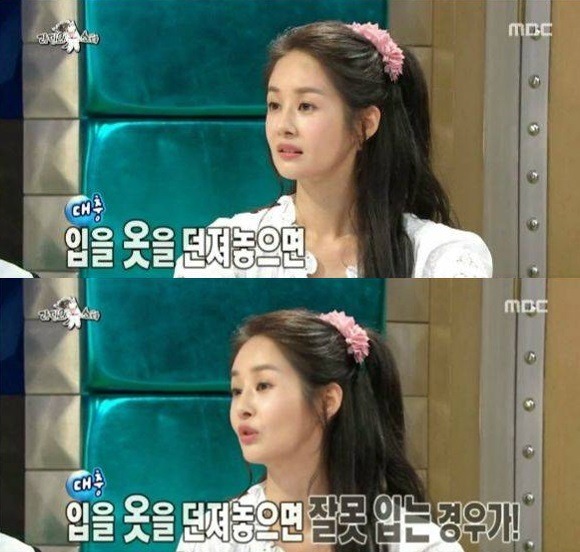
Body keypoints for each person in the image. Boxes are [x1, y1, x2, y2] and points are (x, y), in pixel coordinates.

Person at [175, 21, 492, 278]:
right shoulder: (225, 246)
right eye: (274, 105)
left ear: (365, 123)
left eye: (306, 106)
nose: (283, 126)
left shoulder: (441, 254)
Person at [176, 309, 464, 552]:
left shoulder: (417, 543)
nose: (242, 408)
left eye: (263, 385)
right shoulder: (211, 538)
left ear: (327, 401)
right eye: (237, 390)